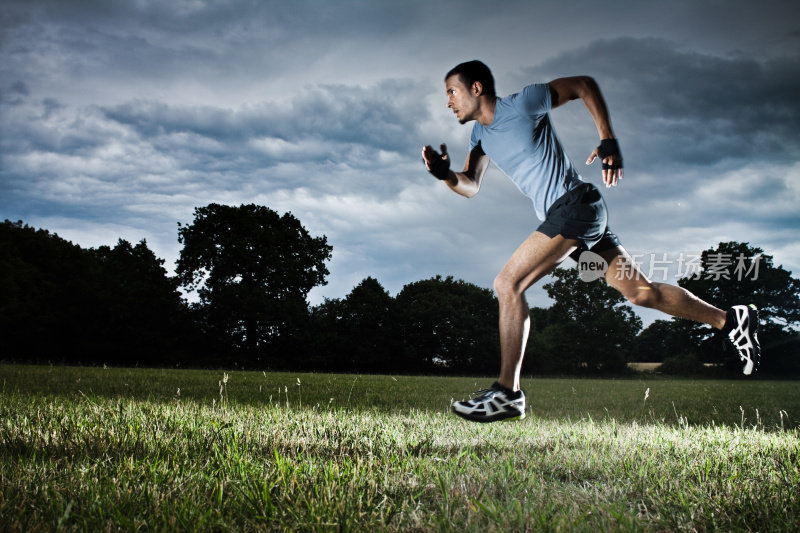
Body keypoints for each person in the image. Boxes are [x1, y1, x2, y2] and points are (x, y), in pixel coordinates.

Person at [421, 60, 761, 423]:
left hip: (574, 207)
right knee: (641, 293)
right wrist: (445, 175)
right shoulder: (480, 137)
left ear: (476, 88)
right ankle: (730, 320)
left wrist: (607, 139)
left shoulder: (523, 103)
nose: (448, 102)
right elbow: (470, 185)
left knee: (508, 283)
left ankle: (508, 393)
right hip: (576, 217)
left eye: (451, 92)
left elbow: (583, 85)